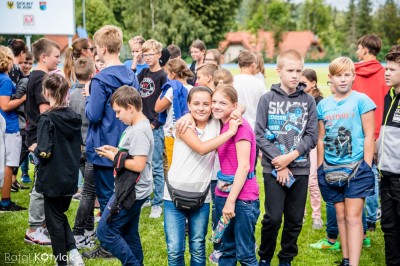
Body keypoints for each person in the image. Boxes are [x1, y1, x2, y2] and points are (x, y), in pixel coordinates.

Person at [164, 86, 241, 265]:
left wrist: (236, 111)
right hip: (173, 195)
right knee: (175, 249)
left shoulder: (216, 123)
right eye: (196, 104)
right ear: (188, 105)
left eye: (206, 104)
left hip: (201, 196)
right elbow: (201, 148)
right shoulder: (183, 125)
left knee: (198, 247)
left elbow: (238, 106)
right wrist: (230, 132)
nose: (201, 108)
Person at [256, 49, 318, 266]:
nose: (295, 75)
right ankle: (265, 256)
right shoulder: (267, 99)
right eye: (290, 70)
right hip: (273, 170)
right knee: (272, 218)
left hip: (300, 169)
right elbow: (260, 135)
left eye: (298, 71)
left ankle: (286, 259)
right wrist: (279, 163)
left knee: (294, 219)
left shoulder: (308, 101)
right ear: (279, 71)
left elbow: (311, 136)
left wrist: (290, 157)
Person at [82, 25, 139, 259]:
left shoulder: (100, 79)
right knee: (123, 195)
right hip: (127, 143)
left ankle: (109, 244)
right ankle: (121, 238)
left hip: (105, 147)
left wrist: (87, 98)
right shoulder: (131, 75)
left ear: (102, 49)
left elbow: (93, 115)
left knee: (107, 198)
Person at [317, 57, 375, 266]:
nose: (343, 80)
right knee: (340, 215)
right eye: (338, 76)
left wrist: (366, 166)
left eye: (347, 75)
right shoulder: (323, 105)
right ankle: (346, 258)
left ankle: (354, 264)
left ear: (353, 76)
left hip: (356, 167)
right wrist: (320, 166)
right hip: (331, 168)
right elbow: (321, 137)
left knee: (352, 217)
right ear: (330, 78)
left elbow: (369, 135)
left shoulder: (362, 101)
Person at [95, 85, 154, 266]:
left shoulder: (139, 131)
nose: (117, 116)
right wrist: (116, 150)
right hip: (132, 189)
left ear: (130, 107)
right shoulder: (135, 126)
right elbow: (131, 153)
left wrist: (114, 157)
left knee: (105, 232)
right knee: (129, 232)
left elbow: (138, 164)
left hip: (131, 191)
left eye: (118, 111)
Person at [30, 73, 84, 266]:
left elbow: (44, 151)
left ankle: (62, 261)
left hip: (52, 178)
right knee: (58, 216)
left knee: (54, 223)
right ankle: (74, 254)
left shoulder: (47, 118)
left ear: (46, 92)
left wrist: (34, 149)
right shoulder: (74, 117)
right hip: (69, 176)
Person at [212, 84, 259, 265]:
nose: (216, 106)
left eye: (222, 103)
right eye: (214, 102)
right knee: (226, 250)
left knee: (245, 254)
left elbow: (244, 166)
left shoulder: (240, 127)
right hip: (223, 193)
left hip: (242, 198)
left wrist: (231, 201)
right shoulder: (223, 124)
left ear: (233, 106)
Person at [24, 38, 61, 246]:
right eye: (56, 56)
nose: (58, 60)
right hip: (40, 138)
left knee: (45, 182)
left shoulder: (36, 76)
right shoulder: (41, 78)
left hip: (37, 136)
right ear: (43, 57)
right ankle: (33, 228)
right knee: (41, 184)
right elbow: (45, 113)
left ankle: (42, 226)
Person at [353, 34, 386, 231]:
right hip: (380, 131)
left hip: (356, 131)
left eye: (359, 48)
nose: (357, 52)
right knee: (373, 172)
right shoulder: (386, 73)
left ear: (365, 49)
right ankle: (372, 218)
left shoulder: (352, 73)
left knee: (356, 172)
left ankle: (357, 215)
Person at [137, 39, 168, 218]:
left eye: (150, 54)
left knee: (156, 165)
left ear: (158, 54)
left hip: (155, 127)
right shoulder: (143, 73)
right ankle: (146, 198)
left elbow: (165, 103)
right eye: (145, 54)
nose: (147, 57)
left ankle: (158, 202)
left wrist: (155, 123)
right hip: (142, 124)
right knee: (143, 165)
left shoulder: (163, 76)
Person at [70, 58, 97, 249]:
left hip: (77, 147)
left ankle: (89, 230)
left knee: (89, 189)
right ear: (93, 74)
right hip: (89, 146)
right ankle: (78, 232)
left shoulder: (71, 94)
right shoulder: (91, 95)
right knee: (88, 192)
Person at [376, 51, 400, 266]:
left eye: (392, 69)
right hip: (385, 174)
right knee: (389, 226)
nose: (386, 72)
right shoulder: (389, 96)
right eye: (387, 67)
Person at [0, 46, 27, 211]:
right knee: (10, 163)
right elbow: (5, 105)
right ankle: (5, 201)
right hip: (9, 127)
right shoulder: (4, 79)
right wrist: (24, 97)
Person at [155, 58, 193, 169]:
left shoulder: (172, 90)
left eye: (167, 74)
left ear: (172, 74)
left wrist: (166, 88)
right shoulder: (192, 89)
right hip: (188, 133)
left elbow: (157, 108)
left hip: (172, 133)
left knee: (172, 166)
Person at [300, 69, 323, 229]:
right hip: (298, 143)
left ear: (313, 83)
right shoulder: (298, 97)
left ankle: (317, 216)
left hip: (313, 144)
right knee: (298, 179)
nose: (300, 86)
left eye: (304, 83)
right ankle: (299, 213)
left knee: (312, 180)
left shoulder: (319, 101)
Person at [233, 49, 266, 131]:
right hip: (254, 127)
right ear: (253, 64)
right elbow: (264, 106)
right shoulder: (259, 83)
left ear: (239, 65)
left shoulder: (232, 81)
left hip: (236, 124)